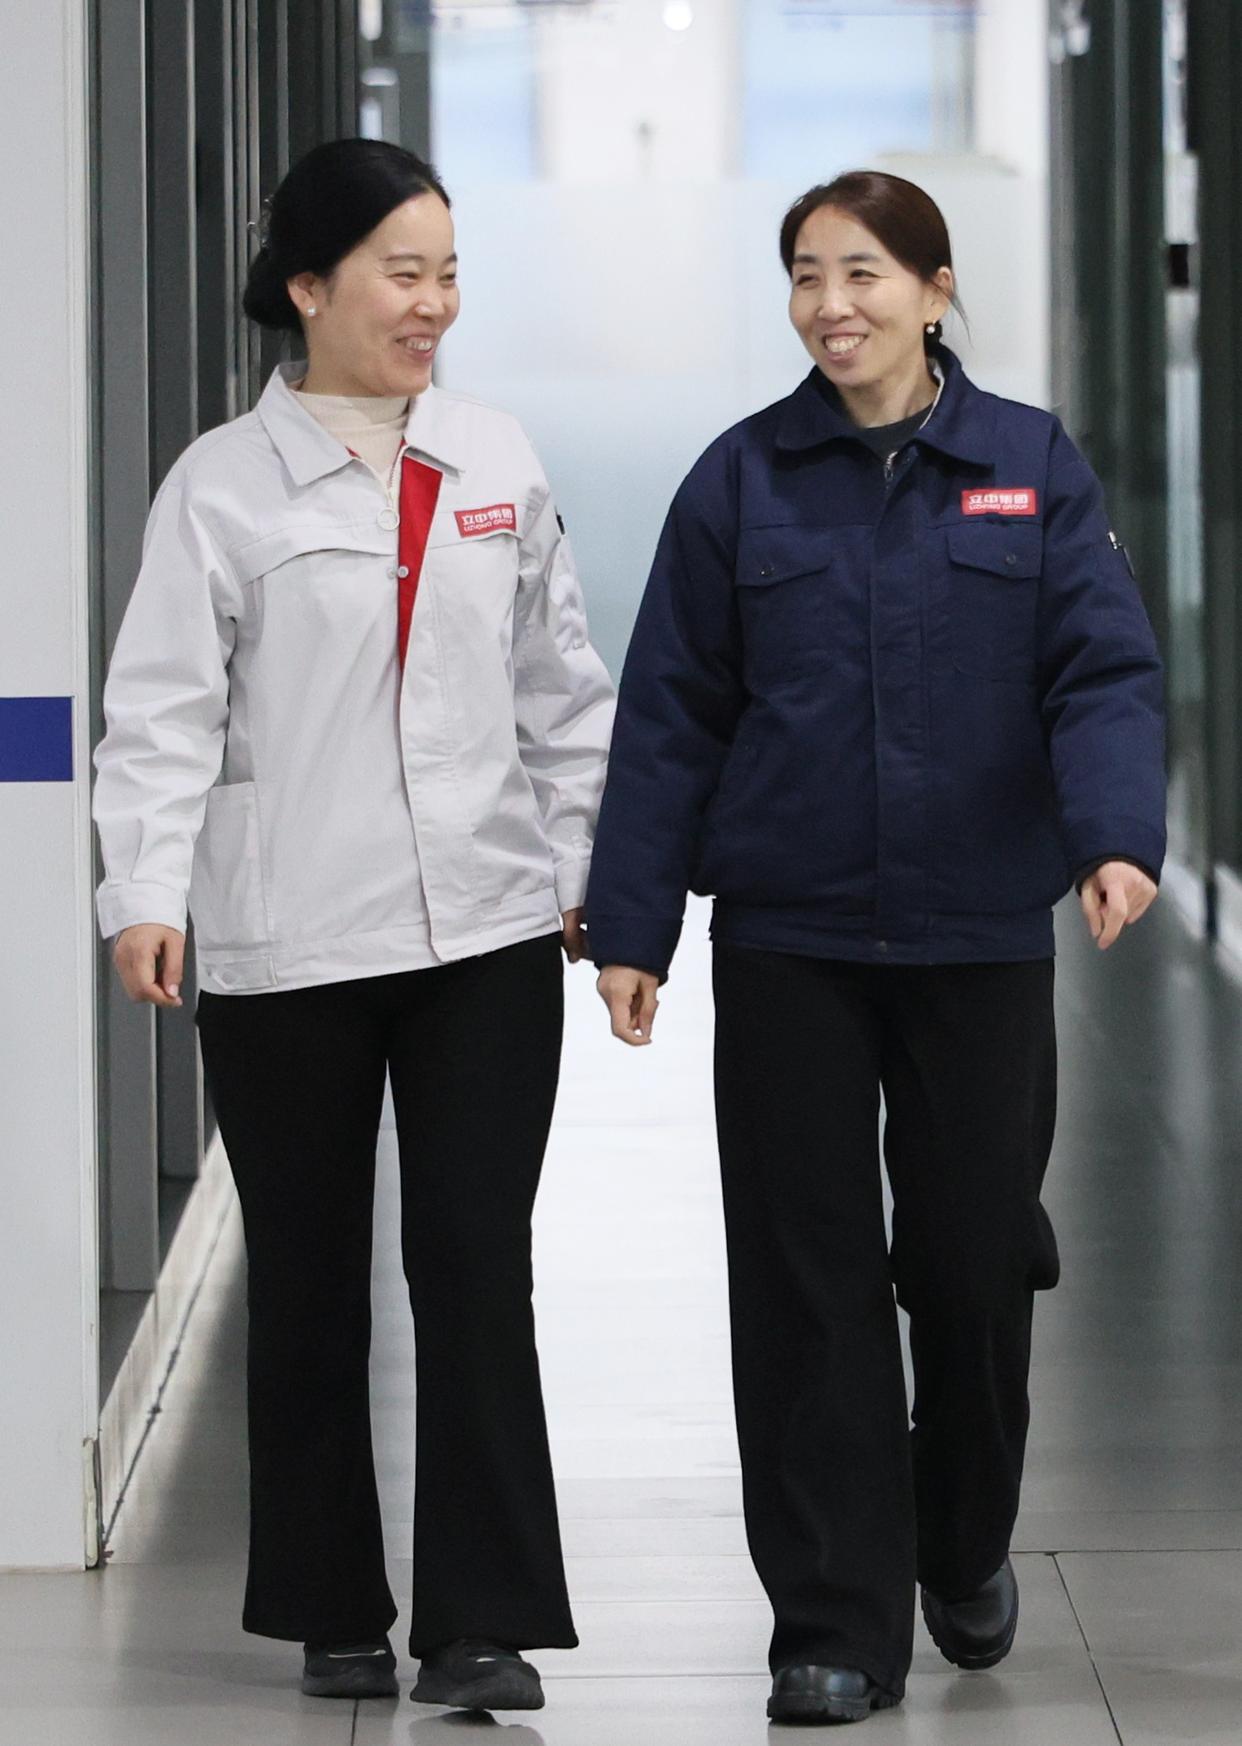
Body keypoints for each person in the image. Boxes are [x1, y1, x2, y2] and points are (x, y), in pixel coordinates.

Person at [585, 170, 1164, 1725]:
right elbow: (671, 713)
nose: (829, 304)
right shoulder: (740, 479)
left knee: (971, 1258)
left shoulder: (1025, 464)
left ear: (931, 287)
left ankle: (959, 1534)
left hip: (978, 934)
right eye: (803, 274)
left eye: (860, 272)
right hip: (793, 935)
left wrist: (1112, 835)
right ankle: (832, 1622)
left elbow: (1099, 671)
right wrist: (634, 924)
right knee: (805, 1280)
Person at [93, 138, 614, 1711]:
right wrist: (144, 891)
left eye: (448, 273)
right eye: (403, 272)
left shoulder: (494, 456)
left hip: (484, 934)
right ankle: (330, 1603)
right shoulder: (221, 485)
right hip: (291, 938)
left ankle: (481, 1617)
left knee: (475, 1268)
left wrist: (585, 861)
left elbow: (561, 687)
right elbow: (161, 711)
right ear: (310, 287)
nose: (433, 303)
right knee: (311, 1279)